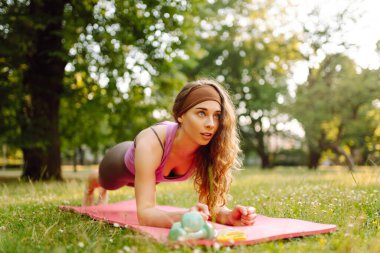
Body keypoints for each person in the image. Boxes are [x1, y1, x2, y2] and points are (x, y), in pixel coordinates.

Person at [83, 79, 257, 228]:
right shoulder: (150, 143)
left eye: (217, 115)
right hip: (118, 164)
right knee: (107, 182)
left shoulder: (210, 148)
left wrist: (229, 216)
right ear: (180, 115)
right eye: (201, 113)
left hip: (150, 174)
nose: (211, 124)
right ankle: (93, 180)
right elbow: (145, 214)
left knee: (141, 183)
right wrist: (181, 217)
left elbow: (211, 206)